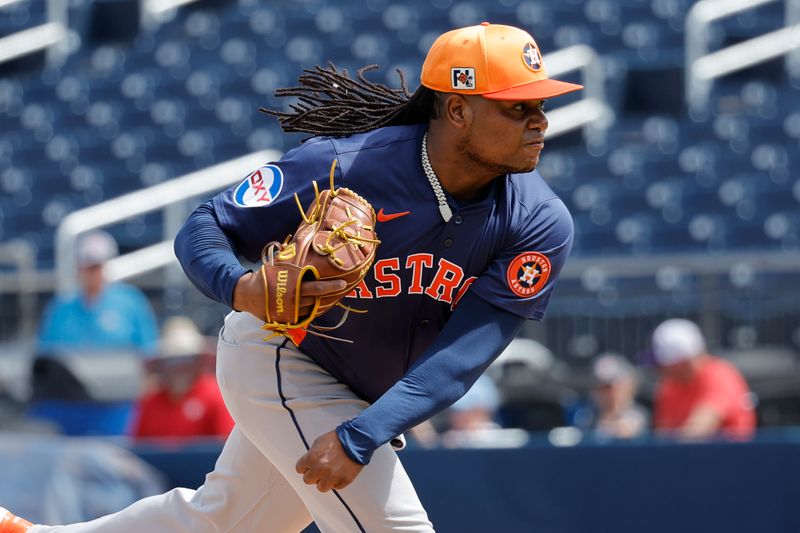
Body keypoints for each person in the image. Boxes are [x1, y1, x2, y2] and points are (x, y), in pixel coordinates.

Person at [4, 22, 580, 532]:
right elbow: (203, 227)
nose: (539, 121)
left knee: (224, 522)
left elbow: (462, 355)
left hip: (359, 397)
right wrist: (241, 286)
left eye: (540, 105)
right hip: (284, 354)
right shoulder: (346, 165)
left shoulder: (538, 221)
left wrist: (362, 433)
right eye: (517, 107)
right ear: (457, 110)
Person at [37, 230, 158, 356]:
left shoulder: (131, 302)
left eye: (96, 267)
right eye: (88, 267)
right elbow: (45, 354)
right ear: (79, 268)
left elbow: (149, 351)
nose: (93, 274)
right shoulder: (60, 307)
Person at [129, 316, 234, 440]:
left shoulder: (215, 396)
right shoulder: (150, 401)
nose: (181, 367)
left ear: (199, 361)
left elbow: (226, 446)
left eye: (187, 359)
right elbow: (139, 449)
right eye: (173, 360)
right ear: (162, 364)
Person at [652, 319, 756, 440]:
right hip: (691, 457)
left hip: (732, 456)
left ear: (687, 360)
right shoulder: (669, 385)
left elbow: (699, 429)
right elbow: (663, 435)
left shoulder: (720, 375)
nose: (663, 368)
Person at [588, 353, 648, 439]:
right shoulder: (589, 417)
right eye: (601, 387)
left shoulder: (637, 416)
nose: (607, 393)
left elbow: (628, 429)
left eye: (609, 387)